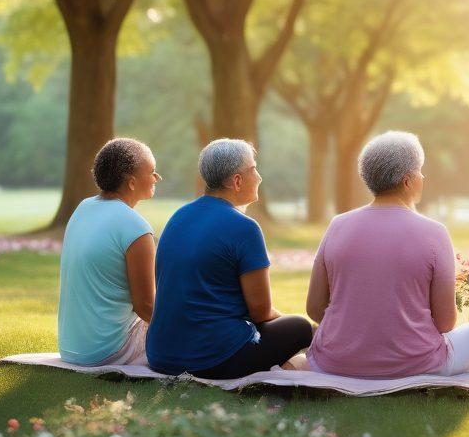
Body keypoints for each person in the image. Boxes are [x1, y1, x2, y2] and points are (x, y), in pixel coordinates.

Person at [305, 130, 469, 378]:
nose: (423, 177)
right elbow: (445, 323)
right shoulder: (435, 232)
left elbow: (314, 308)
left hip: (336, 362)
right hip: (416, 364)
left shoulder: (337, 225)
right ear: (407, 181)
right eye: (420, 171)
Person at [146, 139, 313, 378]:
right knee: (301, 327)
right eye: (254, 169)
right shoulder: (245, 227)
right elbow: (261, 312)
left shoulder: (178, 217)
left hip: (161, 354)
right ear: (237, 181)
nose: (259, 177)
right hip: (211, 360)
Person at [58, 138, 160, 366]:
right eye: (152, 172)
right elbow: (146, 307)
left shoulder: (83, 207)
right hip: (108, 350)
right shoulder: (137, 228)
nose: (157, 177)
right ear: (132, 183)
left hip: (72, 349)